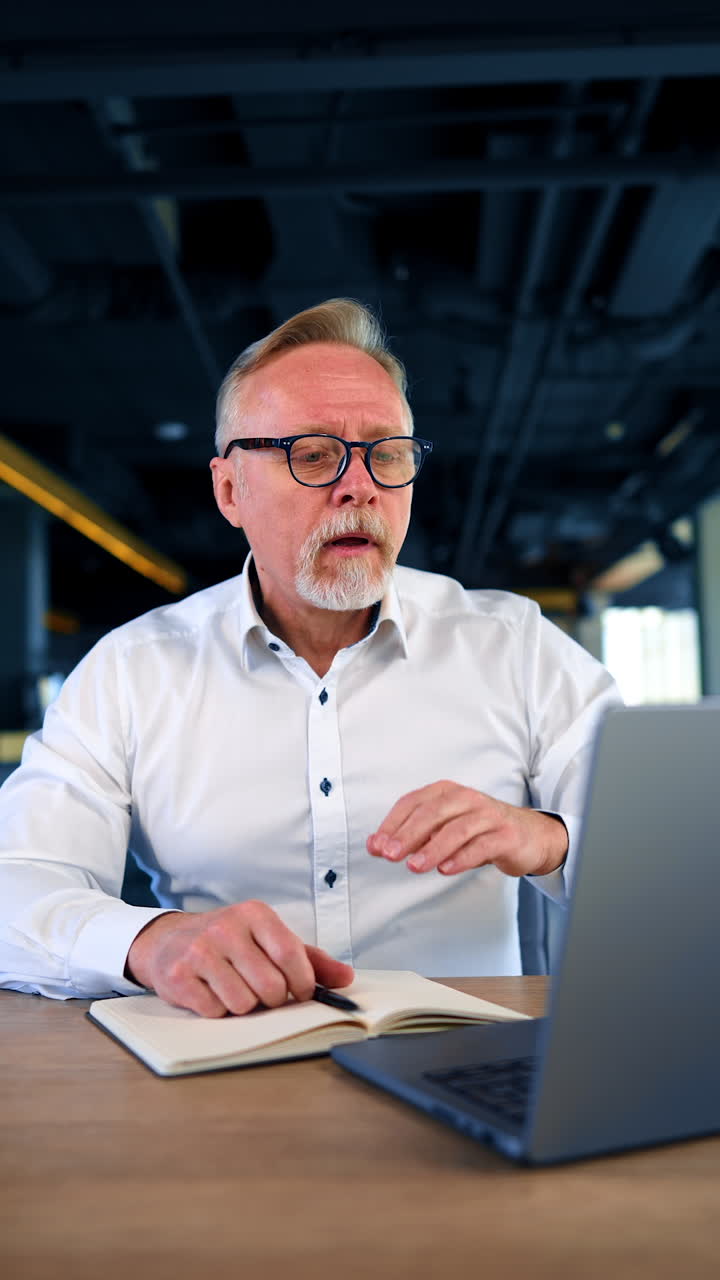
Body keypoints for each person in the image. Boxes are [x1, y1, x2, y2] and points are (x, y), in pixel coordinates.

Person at [0, 298, 620, 1017]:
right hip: (219, 1077)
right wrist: (150, 941)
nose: (359, 486)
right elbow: (17, 888)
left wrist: (549, 837)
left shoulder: (513, 646)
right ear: (230, 489)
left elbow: (679, 848)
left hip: (468, 1068)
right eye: (314, 454)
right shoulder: (131, 673)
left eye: (387, 453)